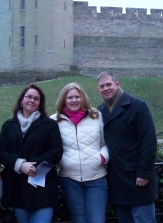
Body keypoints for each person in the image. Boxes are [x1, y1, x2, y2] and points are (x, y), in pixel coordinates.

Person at [96, 72, 158, 223]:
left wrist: (143, 173)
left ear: (117, 84)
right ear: (98, 90)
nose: (106, 88)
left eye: (109, 84)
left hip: (138, 178)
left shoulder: (138, 106)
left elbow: (148, 141)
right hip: (117, 179)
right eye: (102, 86)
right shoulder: (99, 111)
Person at [0, 83, 63, 223]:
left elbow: (56, 151)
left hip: (42, 187)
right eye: (29, 97)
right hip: (18, 188)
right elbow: (1, 152)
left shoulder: (49, 124)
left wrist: (32, 165)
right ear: (22, 100)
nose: (32, 101)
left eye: (36, 99)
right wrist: (20, 165)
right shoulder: (8, 125)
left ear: (40, 103)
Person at [50, 82, 109, 223]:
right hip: (69, 179)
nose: (74, 100)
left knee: (97, 220)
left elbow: (105, 143)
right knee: (79, 220)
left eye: (77, 97)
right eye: (70, 97)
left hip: (96, 178)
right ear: (64, 99)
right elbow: (52, 147)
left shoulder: (97, 116)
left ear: (83, 98)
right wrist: (63, 161)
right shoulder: (53, 121)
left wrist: (101, 158)